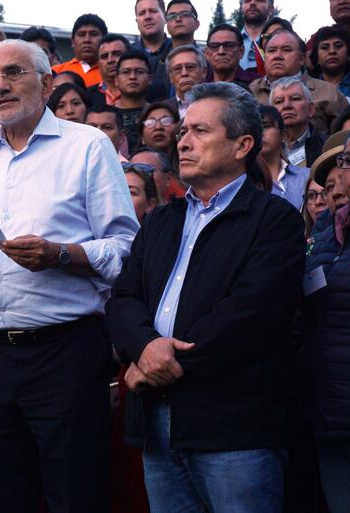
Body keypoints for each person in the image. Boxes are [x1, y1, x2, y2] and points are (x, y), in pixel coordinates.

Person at [0, 39, 139, 513]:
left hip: (64, 353)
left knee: (73, 492)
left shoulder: (86, 146)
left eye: (13, 73)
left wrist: (59, 255)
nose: (0, 85)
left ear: (45, 84)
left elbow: (126, 251)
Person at [107, 81, 305, 513]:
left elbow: (251, 315)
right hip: (158, 422)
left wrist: (159, 364)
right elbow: (123, 299)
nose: (184, 142)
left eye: (200, 131)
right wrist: (143, 350)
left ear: (242, 145)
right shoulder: (161, 221)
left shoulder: (274, 220)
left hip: (234, 427)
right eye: (182, 132)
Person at [297, 131, 350, 513]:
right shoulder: (318, 243)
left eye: (344, 171)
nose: (334, 190)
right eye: (326, 185)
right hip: (330, 412)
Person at [250, 30, 349, 134]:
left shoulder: (327, 92)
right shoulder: (250, 92)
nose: (277, 56)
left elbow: (343, 139)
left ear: (302, 59)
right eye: (271, 50)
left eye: (286, 50)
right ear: (265, 57)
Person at [258, 104, 310, 210]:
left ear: (283, 135)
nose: (260, 133)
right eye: (254, 128)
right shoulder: (244, 183)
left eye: (266, 126)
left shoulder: (307, 176)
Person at [270, 76, 328, 168]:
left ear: (310, 109)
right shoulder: (262, 148)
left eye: (295, 99)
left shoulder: (327, 147)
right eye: (279, 101)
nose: (287, 105)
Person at [51, 13, 108, 88]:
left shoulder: (115, 73)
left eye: (94, 34)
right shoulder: (55, 72)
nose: (87, 40)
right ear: (72, 41)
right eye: (81, 34)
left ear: (105, 40)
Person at [133, 0, 172, 101]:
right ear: (137, 21)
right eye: (142, 13)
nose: (147, 17)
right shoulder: (127, 53)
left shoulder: (178, 51)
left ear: (165, 17)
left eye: (153, 11)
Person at [115, 50, 152, 153]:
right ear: (116, 80)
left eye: (139, 71)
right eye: (126, 72)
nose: (132, 77)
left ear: (150, 79)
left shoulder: (158, 113)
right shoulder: (107, 116)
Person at [205, 23, 260, 88]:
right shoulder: (198, 87)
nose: (221, 52)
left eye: (229, 45)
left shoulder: (258, 84)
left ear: (241, 51)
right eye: (214, 46)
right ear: (207, 53)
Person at [89, 34, 131, 109]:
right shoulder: (86, 96)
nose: (110, 60)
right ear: (98, 63)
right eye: (104, 56)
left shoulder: (147, 91)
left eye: (117, 54)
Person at [165, 45, 206, 118]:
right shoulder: (161, 110)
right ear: (170, 77)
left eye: (190, 67)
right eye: (177, 69)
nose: (184, 73)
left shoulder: (219, 107)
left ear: (204, 72)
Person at [311, 25, 350, 99]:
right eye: (325, 47)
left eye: (338, 46)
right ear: (317, 57)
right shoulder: (305, 89)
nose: (332, 51)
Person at [240, 0, 274, 71]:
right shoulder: (230, 43)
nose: (252, 3)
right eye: (247, 1)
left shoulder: (284, 43)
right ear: (241, 8)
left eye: (259, 0)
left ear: (270, 9)